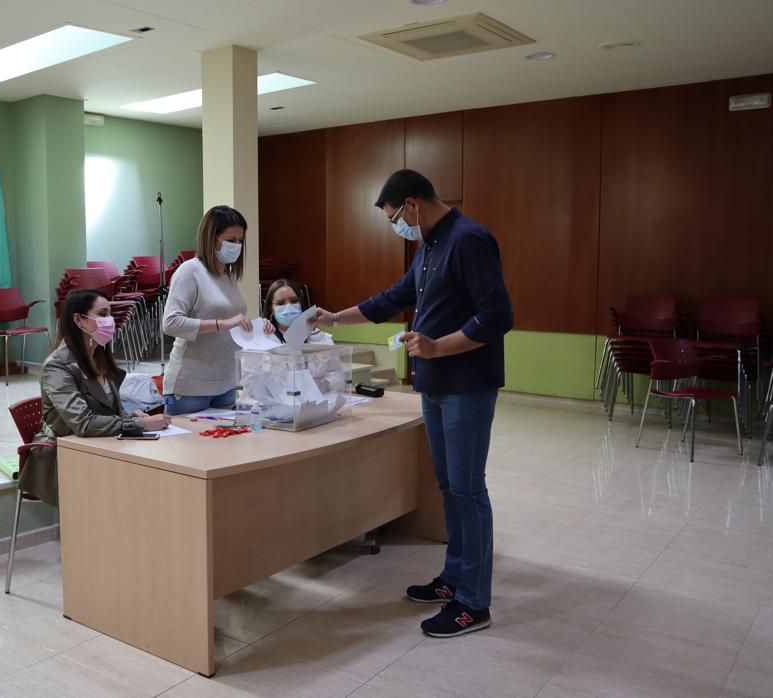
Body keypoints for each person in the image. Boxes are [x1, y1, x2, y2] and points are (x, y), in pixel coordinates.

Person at [314, 169, 513, 638]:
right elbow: (397, 297)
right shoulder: (428, 246)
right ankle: (456, 577)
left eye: (393, 218)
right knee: (448, 486)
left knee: (467, 489)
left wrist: (438, 347)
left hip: (467, 383)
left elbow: (498, 314)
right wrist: (336, 317)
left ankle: (474, 603)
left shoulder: (468, 239)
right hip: (435, 385)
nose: (396, 227)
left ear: (412, 205)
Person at [19, 289, 170, 504]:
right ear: (79, 320)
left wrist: (130, 416)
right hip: (64, 454)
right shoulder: (57, 366)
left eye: (110, 314)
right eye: (102, 314)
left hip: (102, 447)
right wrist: (140, 424)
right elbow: (83, 423)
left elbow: (104, 408)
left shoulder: (99, 356)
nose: (110, 321)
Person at [162, 205, 270, 415]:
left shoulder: (228, 276)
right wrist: (222, 324)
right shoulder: (190, 271)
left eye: (240, 241)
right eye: (231, 240)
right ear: (211, 239)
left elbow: (234, 321)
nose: (237, 246)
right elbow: (171, 323)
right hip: (191, 386)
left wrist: (256, 326)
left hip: (227, 383)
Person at [264, 278, 333, 345]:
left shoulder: (317, 337)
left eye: (294, 301)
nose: (289, 307)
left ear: (301, 304)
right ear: (271, 309)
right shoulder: (264, 337)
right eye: (281, 303)